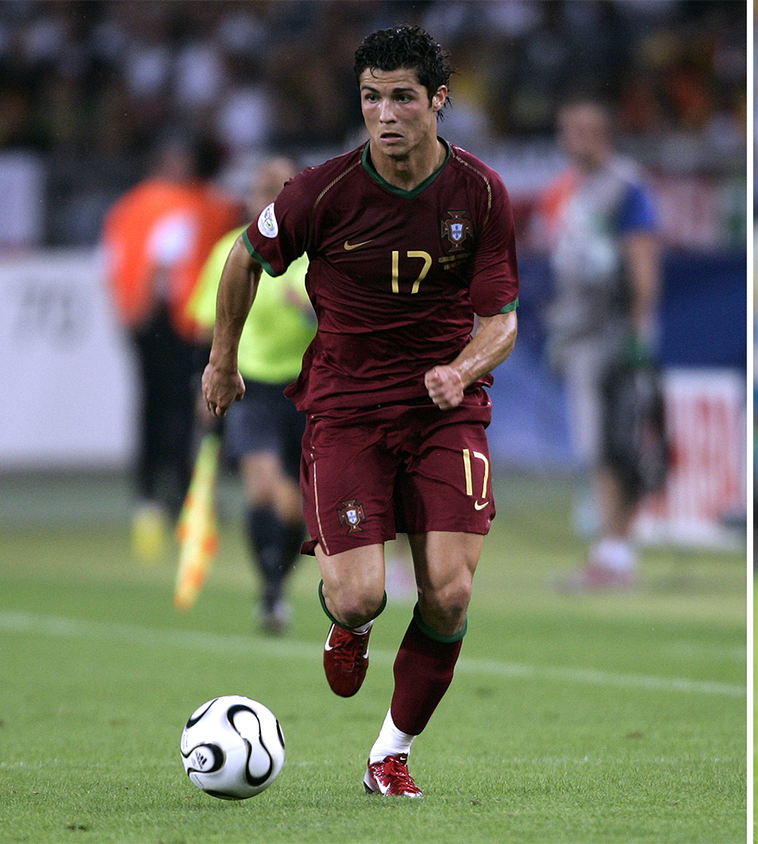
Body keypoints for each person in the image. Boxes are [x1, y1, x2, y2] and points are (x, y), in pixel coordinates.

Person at [202, 26, 519, 798]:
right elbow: (245, 257)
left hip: (445, 412)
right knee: (359, 593)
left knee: (450, 592)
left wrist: (461, 370)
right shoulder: (322, 192)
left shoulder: (479, 194)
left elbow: (502, 322)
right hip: (346, 413)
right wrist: (222, 360)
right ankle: (351, 626)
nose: (385, 113)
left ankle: (389, 754)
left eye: (402, 97)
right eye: (372, 97)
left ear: (438, 100)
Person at [536, 98, 663, 591]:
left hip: (612, 331)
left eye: (586, 130)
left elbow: (642, 261)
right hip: (580, 333)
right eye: (569, 130)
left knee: (613, 444)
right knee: (599, 445)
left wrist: (639, 331)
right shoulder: (568, 189)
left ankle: (615, 553)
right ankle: (611, 550)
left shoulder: (624, 186)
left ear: (605, 133)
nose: (576, 140)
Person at [189, 157, 315, 634]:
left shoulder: (315, 253)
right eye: (263, 189)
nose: (271, 199)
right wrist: (207, 381)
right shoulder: (231, 250)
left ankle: (276, 586)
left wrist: (309, 310)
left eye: (281, 189)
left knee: (293, 507)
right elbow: (209, 325)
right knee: (263, 488)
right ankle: (270, 591)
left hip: (307, 390)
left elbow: (343, 321)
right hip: (252, 386)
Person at [102, 133, 240, 562]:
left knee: (158, 407)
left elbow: (116, 260)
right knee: (179, 407)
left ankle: (154, 495)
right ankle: (175, 495)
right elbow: (164, 259)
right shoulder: (187, 204)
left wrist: (129, 309)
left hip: (153, 317)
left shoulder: (134, 205)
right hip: (172, 318)